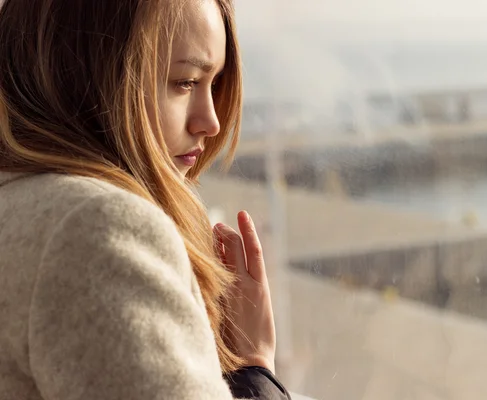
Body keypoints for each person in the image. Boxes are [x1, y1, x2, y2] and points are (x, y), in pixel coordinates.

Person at [0, 0, 291, 399]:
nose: (211, 122)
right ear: (87, 75)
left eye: (214, 83)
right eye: (185, 82)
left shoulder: (21, 200)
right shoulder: (98, 229)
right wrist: (255, 368)